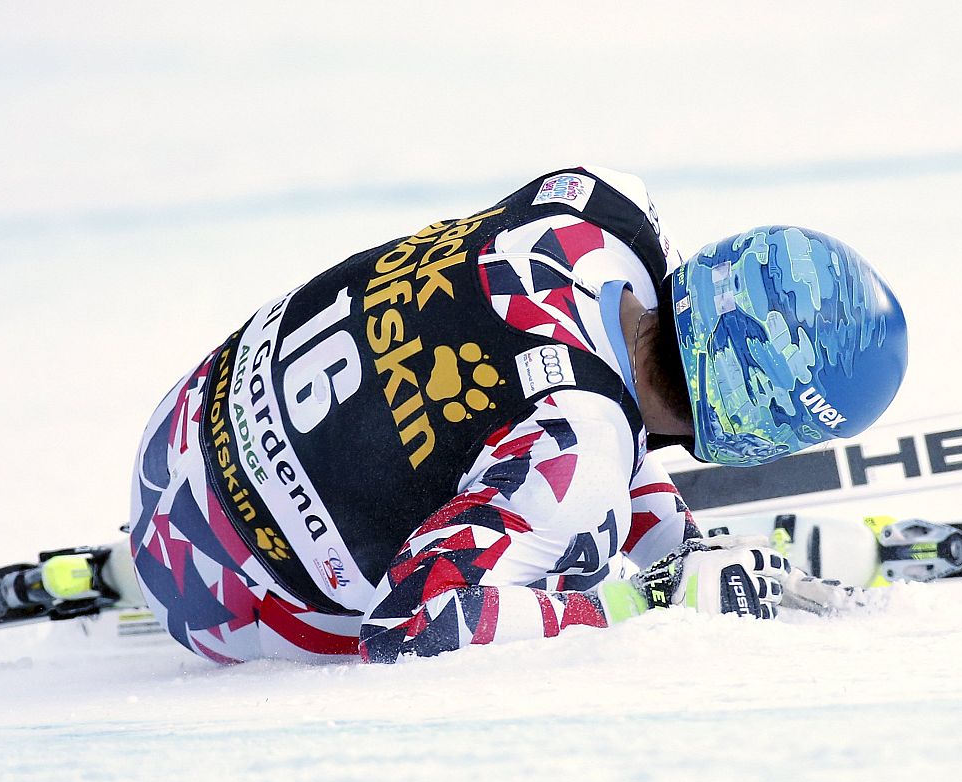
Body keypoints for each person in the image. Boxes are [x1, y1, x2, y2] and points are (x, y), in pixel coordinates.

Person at [128, 167, 908, 664]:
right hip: (221, 600)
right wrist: (650, 601)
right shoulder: (581, 455)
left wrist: (680, 546)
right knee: (576, 553)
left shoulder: (606, 204)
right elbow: (411, 629)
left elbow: (567, 388)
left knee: (553, 469)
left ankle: (668, 546)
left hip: (184, 419)